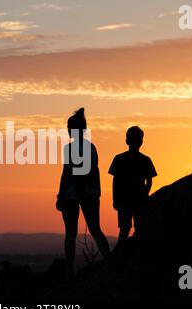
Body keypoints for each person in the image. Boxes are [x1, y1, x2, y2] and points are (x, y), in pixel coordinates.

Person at [56, 107, 110, 278]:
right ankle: (110, 262)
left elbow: (67, 173)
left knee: (70, 233)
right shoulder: (91, 148)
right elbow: (91, 171)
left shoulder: (69, 148)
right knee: (95, 229)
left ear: (72, 130)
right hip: (90, 193)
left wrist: (60, 195)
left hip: (73, 195)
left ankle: (69, 271)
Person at [108, 126, 157, 244]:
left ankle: (120, 255)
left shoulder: (119, 159)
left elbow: (115, 182)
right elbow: (149, 181)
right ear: (141, 142)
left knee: (125, 229)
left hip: (124, 200)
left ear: (127, 141)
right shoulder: (146, 160)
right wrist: (145, 194)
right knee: (139, 228)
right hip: (138, 200)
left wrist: (115, 199)